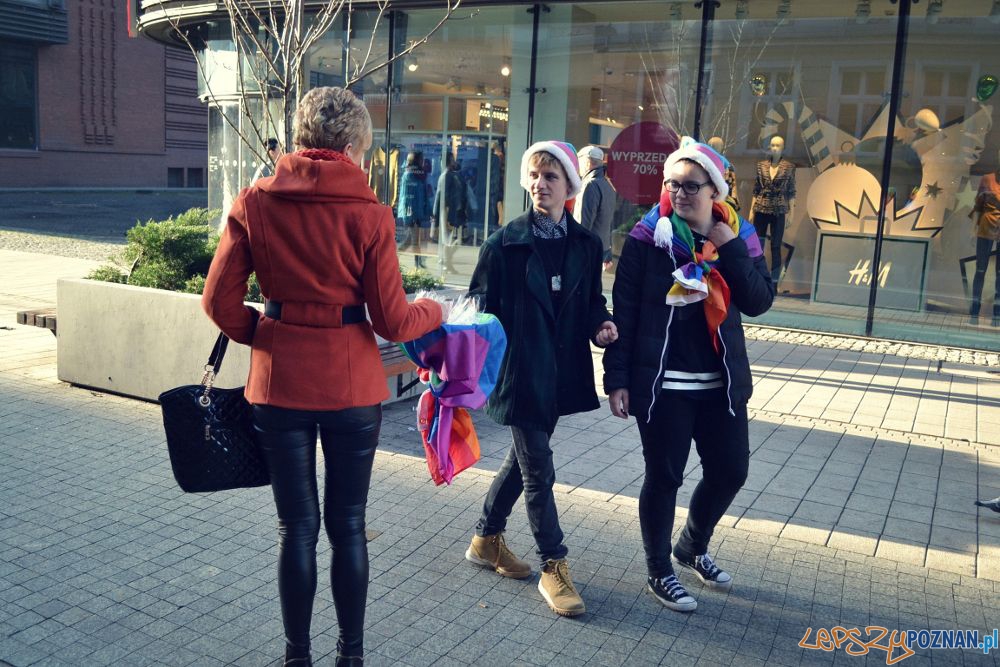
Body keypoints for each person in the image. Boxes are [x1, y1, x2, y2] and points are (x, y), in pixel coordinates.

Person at [202, 86, 444, 667]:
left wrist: (263, 332)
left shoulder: (254, 202)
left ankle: (296, 657)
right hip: (350, 385)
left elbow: (217, 301)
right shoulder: (370, 214)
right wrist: (434, 310)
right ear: (356, 146)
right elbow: (391, 318)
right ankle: (351, 656)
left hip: (279, 383)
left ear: (302, 140)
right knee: (350, 525)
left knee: (296, 529)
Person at [603, 140, 774, 613]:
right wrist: (617, 379)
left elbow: (759, 300)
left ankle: (691, 546)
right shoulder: (646, 239)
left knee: (730, 471)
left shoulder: (738, 236)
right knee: (664, 477)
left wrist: (728, 247)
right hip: (663, 385)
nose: (680, 193)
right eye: (672, 184)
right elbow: (627, 313)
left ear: (713, 190)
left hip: (720, 384)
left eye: (691, 186)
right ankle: (660, 568)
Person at [465, 140, 618, 617]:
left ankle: (486, 539)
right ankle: (554, 563)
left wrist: (602, 323)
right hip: (518, 371)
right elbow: (476, 311)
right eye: (534, 175)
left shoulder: (587, 246)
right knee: (538, 468)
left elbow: (592, 300)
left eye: (550, 176)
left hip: (558, 373)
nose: (540, 184)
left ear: (569, 186)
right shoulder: (503, 244)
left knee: (522, 459)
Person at [750, 135, 796, 283]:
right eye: (772, 145)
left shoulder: (789, 167)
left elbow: (791, 191)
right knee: (758, 245)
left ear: (783, 148)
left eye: (778, 146)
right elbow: (756, 189)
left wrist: (791, 213)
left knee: (776, 246)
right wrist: (752, 210)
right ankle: (756, 278)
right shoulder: (761, 165)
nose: (775, 148)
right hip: (761, 207)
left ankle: (774, 282)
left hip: (779, 209)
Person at [969, 153, 1000, 326]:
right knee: (980, 270)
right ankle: (974, 310)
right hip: (986, 227)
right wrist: (973, 230)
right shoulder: (987, 179)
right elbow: (978, 206)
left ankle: (997, 313)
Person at [574, 145, 616, 271]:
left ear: (587, 162)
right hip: (600, 250)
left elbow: (583, 224)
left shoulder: (589, 185)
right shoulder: (608, 186)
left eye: (579, 161)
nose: (578, 167)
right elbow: (609, 223)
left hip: (586, 252)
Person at [432, 152, 468, 273]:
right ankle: (446, 263)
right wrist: (446, 217)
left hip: (450, 212)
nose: (455, 162)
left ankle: (446, 261)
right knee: (449, 239)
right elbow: (444, 197)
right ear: (450, 161)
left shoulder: (450, 175)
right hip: (447, 212)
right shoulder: (447, 175)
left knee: (451, 239)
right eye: (453, 159)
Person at [397, 151, 431, 268]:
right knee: (415, 240)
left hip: (419, 213)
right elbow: (406, 199)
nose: (423, 161)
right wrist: (409, 216)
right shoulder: (408, 175)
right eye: (421, 159)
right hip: (412, 214)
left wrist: (427, 211)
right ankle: (418, 265)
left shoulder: (420, 175)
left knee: (410, 240)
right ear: (416, 160)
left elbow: (424, 195)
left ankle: (395, 256)